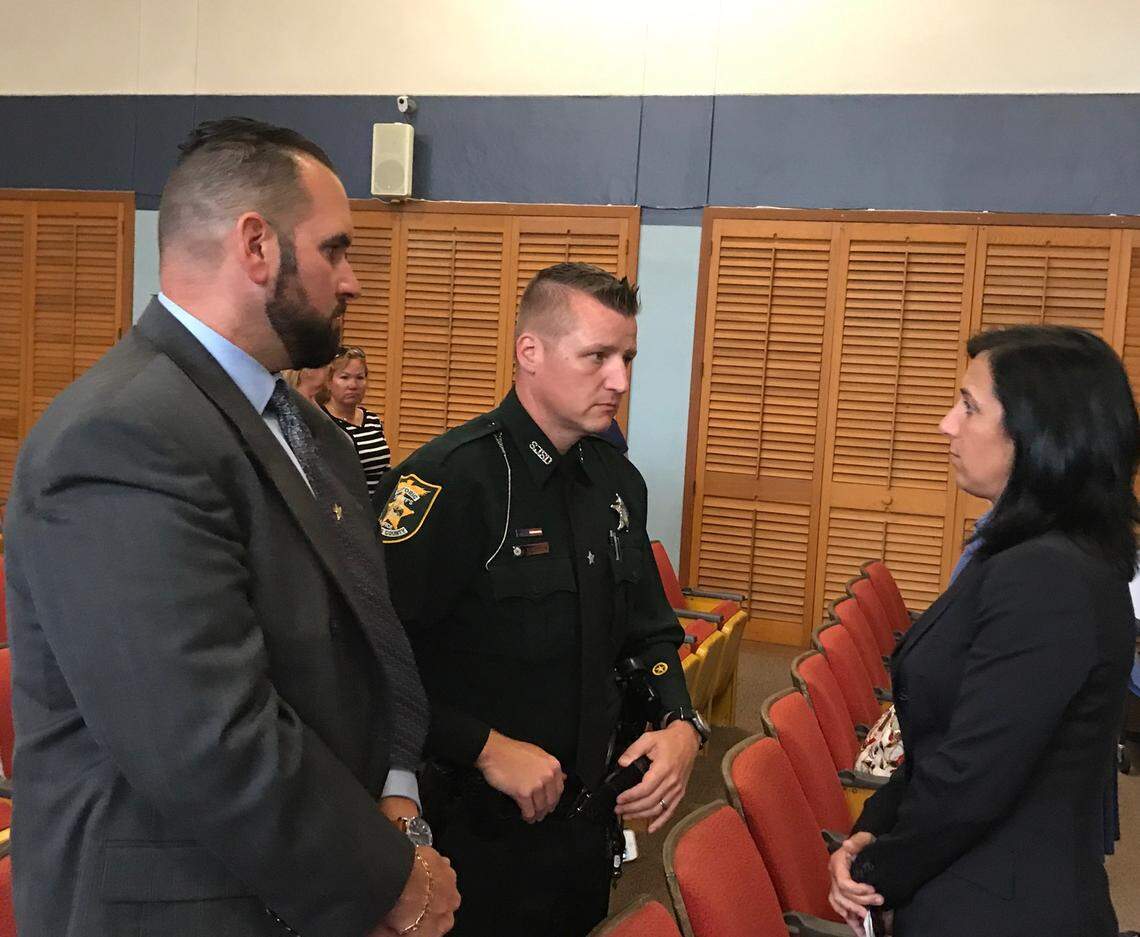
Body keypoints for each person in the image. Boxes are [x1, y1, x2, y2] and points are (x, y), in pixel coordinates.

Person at [3, 117, 458, 937]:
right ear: (257, 246)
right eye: (335, 250)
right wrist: (388, 876)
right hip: (184, 905)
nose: (352, 280)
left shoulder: (310, 430)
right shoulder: (121, 435)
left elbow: (372, 642)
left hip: (305, 880)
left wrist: (399, 792)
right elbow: (206, 739)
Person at [374, 262, 704, 937]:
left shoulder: (615, 483)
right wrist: (486, 745)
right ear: (531, 352)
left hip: (583, 834)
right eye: (598, 357)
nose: (621, 380)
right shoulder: (450, 482)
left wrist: (680, 725)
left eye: (628, 357)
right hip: (473, 834)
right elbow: (368, 662)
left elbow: (649, 630)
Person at [828, 325, 1138, 937]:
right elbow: (944, 738)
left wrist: (876, 869)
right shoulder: (1022, 551)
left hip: (1001, 906)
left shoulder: (1049, 574)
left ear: (1039, 435)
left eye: (969, 406)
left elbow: (975, 774)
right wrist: (876, 824)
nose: (947, 424)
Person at [324, 345, 392, 497]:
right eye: (344, 377)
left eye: (360, 378)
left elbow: (384, 470)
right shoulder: (322, 421)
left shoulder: (372, 420)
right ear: (329, 382)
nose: (353, 385)